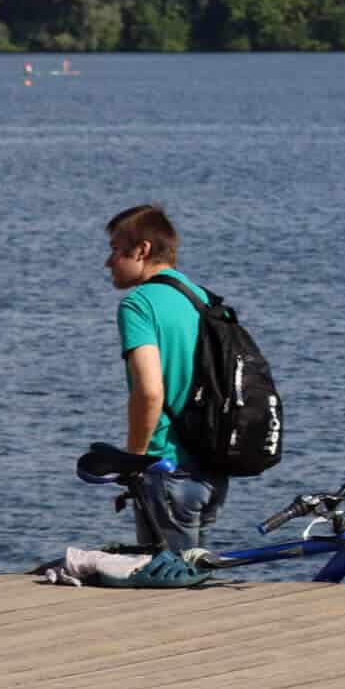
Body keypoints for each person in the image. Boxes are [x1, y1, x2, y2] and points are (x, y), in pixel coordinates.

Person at [102, 205, 228, 555]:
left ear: (141, 250)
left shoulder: (139, 305)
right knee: (193, 582)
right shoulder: (203, 299)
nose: (108, 262)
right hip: (211, 469)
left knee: (166, 590)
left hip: (166, 468)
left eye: (114, 250)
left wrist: (134, 459)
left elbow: (149, 391)